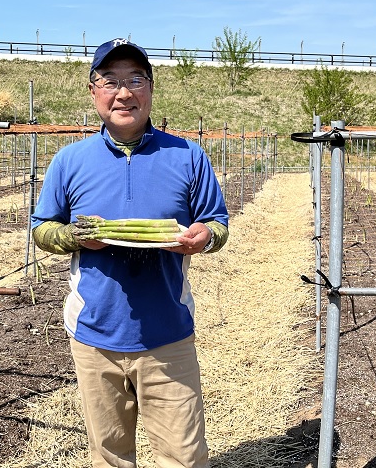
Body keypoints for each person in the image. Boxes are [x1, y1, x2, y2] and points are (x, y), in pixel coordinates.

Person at [31, 38, 229, 468]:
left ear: (151, 88)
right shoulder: (70, 161)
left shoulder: (188, 156)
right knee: (109, 456)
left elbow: (217, 223)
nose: (124, 92)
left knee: (185, 457)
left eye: (135, 80)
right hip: (95, 336)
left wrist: (204, 237)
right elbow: (41, 229)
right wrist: (76, 239)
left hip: (168, 335)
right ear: (94, 91)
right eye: (111, 81)